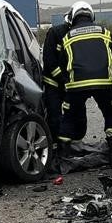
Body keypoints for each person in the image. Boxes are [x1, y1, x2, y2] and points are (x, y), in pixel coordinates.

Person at [56, 1, 112, 163]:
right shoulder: (105, 33)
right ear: (91, 15)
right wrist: (109, 76)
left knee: (69, 118)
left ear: (72, 18)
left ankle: (64, 157)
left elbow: (63, 64)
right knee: (110, 115)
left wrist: (67, 82)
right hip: (103, 83)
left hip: (76, 85)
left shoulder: (67, 37)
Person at [41, 9, 73, 149]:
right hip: (53, 82)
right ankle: (55, 144)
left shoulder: (77, 33)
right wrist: (62, 80)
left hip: (70, 83)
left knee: (73, 112)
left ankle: (68, 142)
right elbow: (49, 60)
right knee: (54, 114)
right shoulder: (56, 32)